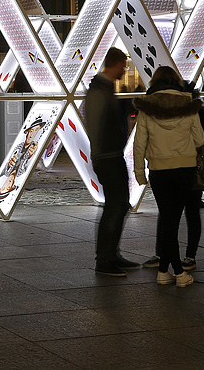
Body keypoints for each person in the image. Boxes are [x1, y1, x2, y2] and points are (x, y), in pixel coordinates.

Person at [132, 66, 203, 287]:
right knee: (174, 219)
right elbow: (199, 139)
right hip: (184, 167)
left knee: (167, 218)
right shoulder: (188, 104)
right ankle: (179, 273)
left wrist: (139, 172)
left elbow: (139, 143)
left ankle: (164, 271)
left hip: (159, 169)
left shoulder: (147, 106)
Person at [85, 47, 135, 277]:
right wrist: (98, 155)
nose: (124, 71)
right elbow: (95, 127)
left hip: (111, 155)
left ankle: (112, 254)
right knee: (115, 206)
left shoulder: (104, 89)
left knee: (119, 205)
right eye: (123, 67)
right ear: (114, 64)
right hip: (107, 157)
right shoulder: (98, 91)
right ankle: (104, 259)